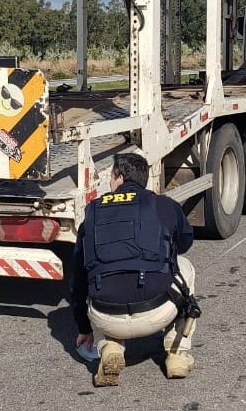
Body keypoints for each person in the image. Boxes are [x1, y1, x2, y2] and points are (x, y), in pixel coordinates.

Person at [69, 153, 196, 387]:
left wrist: (84, 328)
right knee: (185, 267)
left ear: (118, 177)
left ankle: (110, 347)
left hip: (106, 317)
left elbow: (77, 279)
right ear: (144, 180)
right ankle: (177, 354)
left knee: (95, 275)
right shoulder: (163, 205)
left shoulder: (93, 212)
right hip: (157, 313)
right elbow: (186, 243)